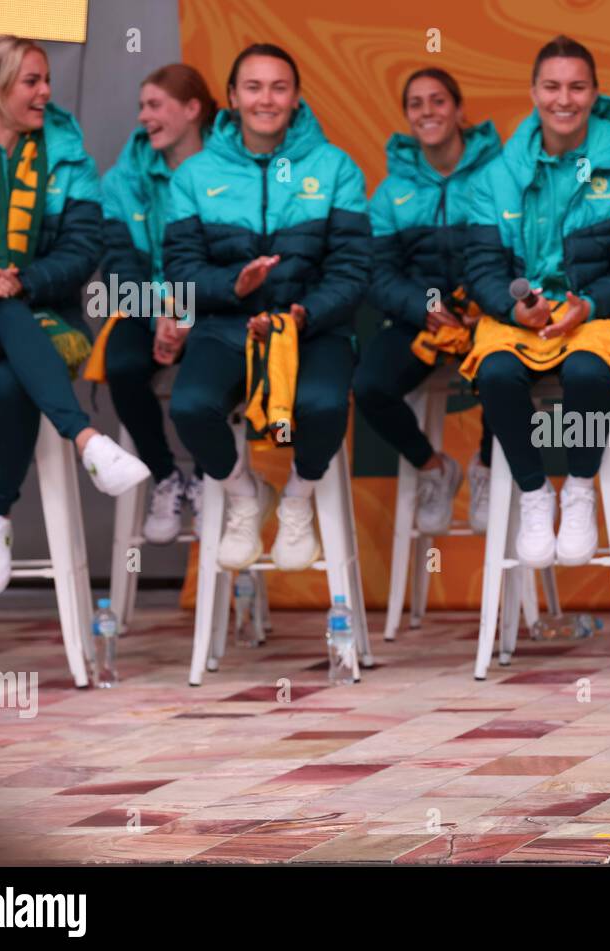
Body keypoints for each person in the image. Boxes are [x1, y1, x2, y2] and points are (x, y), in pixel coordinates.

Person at [0, 35, 150, 599]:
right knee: (2, 312)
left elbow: (84, 250)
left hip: (42, 324)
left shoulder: (69, 156)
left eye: (46, 79)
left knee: (16, 372)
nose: (46, 92)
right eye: (31, 82)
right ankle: (85, 439)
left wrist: (22, 280)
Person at [164, 43, 370, 571]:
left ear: (296, 97)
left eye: (279, 87)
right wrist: (234, 287)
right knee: (189, 407)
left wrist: (301, 315)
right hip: (227, 326)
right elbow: (182, 270)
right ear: (232, 97)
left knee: (325, 406)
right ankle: (244, 496)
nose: (266, 99)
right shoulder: (193, 175)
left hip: (311, 329)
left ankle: (298, 500)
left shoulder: (334, 168)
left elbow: (352, 271)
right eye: (253, 87)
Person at [461, 36, 610, 568]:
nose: (564, 99)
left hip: (595, 313)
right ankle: (533, 494)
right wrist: (513, 308)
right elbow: (481, 267)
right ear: (533, 92)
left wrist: (590, 303)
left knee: (588, 373)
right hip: (520, 318)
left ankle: (578, 488)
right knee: (497, 375)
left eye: (577, 86)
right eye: (552, 86)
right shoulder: (497, 173)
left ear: (595, 93)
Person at [352, 67, 499, 534]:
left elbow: (512, 252)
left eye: (437, 100)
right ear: (407, 116)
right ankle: (434, 469)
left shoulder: (499, 175)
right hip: (420, 322)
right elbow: (376, 272)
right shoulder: (392, 191)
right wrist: (425, 307)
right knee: (370, 385)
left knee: (505, 374)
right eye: (416, 104)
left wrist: (479, 306)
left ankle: (487, 470)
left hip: (487, 315)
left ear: (458, 110)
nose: (427, 111)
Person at [94, 64, 216, 544]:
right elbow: (118, 268)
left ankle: (210, 479)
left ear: (192, 109)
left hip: (212, 308)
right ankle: (166, 478)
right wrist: (160, 314)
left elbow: (237, 261)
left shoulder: (229, 169)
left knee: (208, 374)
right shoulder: (122, 181)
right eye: (142, 106)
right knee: (120, 363)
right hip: (150, 305)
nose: (144, 116)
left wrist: (187, 315)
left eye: (155, 105)